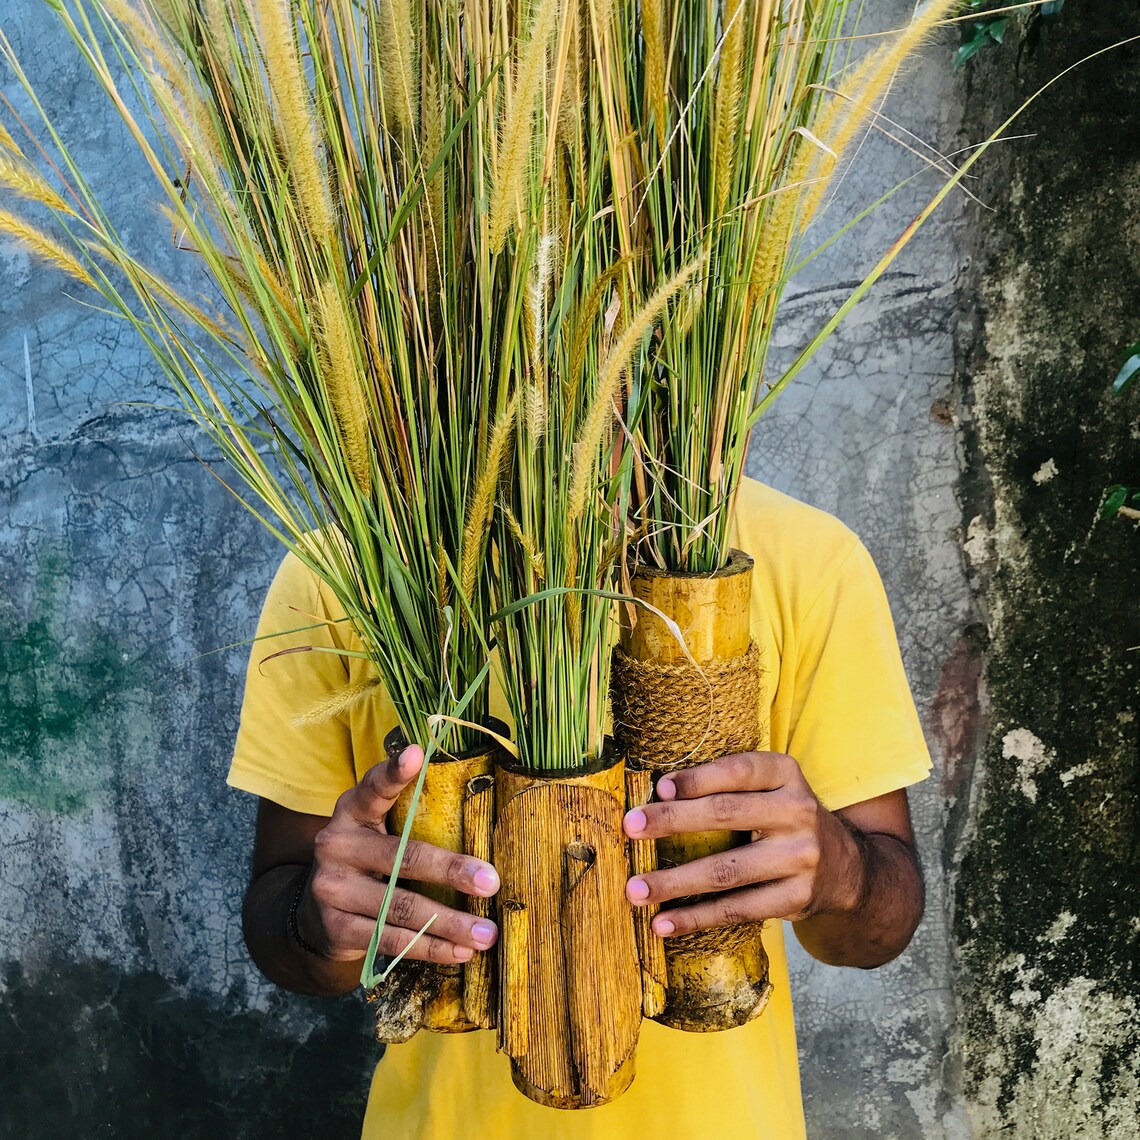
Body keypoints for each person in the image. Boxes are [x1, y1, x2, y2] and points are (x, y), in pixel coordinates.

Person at [229, 477, 930, 1139]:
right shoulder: (340, 573)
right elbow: (283, 926)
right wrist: (323, 921)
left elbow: (875, 933)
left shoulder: (804, 556)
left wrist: (840, 870)